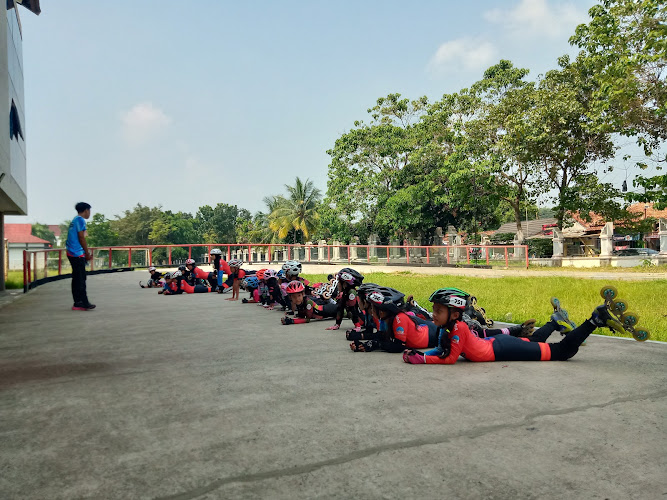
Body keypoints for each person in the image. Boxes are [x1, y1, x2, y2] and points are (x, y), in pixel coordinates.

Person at [402, 288, 602, 365]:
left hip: (501, 348)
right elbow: (441, 349)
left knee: (561, 352)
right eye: (433, 310)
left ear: (454, 315)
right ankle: (554, 321)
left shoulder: (459, 328)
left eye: (438, 310)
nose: (433, 315)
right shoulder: (446, 328)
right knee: (535, 342)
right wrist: (423, 354)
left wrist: (422, 360)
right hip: (496, 345)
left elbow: (451, 358)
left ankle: (595, 320)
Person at [66, 202, 95, 311]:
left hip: (71, 253)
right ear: (86, 210)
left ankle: (78, 302)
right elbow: (81, 237)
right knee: (81, 279)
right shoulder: (80, 220)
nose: (89, 213)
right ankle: (83, 302)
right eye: (89, 211)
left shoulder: (74, 220)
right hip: (76, 254)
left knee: (77, 278)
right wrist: (87, 253)